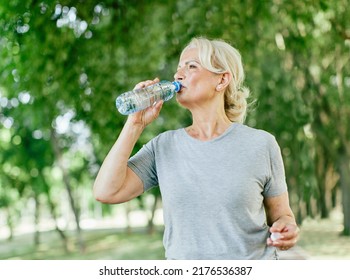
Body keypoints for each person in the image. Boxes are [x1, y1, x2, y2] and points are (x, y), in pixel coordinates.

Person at [93, 37, 299, 260]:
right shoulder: (163, 147)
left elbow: (282, 216)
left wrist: (286, 229)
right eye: (178, 68)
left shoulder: (261, 144)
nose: (177, 75)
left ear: (221, 80)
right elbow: (106, 191)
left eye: (191, 66)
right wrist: (135, 124)